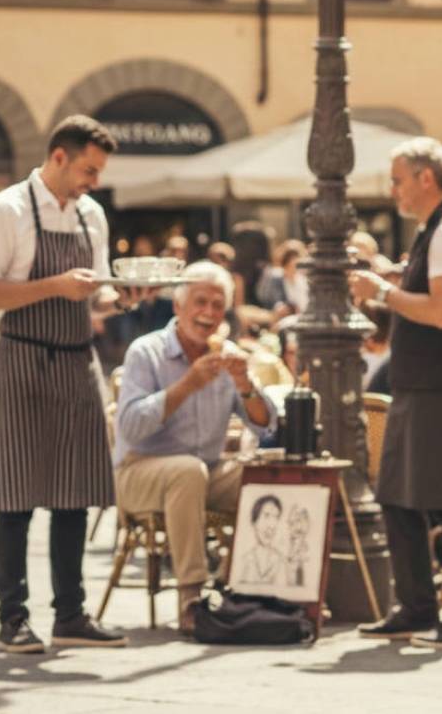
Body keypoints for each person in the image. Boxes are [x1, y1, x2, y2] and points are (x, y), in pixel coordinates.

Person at [0, 115, 146, 654]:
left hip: (77, 361)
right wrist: (53, 286)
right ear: (59, 157)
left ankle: (71, 615)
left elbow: (90, 297)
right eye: (88, 169)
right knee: (17, 494)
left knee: (76, 494)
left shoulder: (91, 214)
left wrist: (123, 298)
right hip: (23, 360)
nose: (94, 181)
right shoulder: (6, 210)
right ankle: (12, 620)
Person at [349, 138, 442, 650]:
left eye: (398, 179)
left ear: (425, 178)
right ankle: (414, 608)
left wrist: (382, 292)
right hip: (417, 384)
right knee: (396, 498)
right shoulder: (435, 231)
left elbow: (439, 311)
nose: (393, 190)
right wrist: (392, 278)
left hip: (441, 385)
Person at [114, 261, 277, 634]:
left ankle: (237, 585)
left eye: (217, 306)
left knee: (264, 474)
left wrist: (245, 385)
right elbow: (131, 427)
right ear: (178, 307)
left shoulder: (228, 353)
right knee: (187, 470)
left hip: (206, 470)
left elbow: (265, 425)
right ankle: (191, 599)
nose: (208, 313)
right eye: (200, 302)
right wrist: (187, 383)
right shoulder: (147, 352)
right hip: (141, 470)